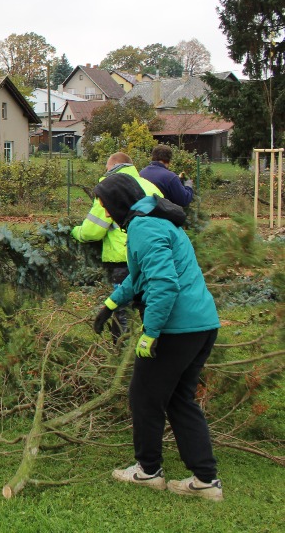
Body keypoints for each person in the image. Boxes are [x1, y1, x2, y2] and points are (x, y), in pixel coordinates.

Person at [94, 172, 223, 501]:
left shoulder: (144, 228)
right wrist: (110, 305)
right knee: (180, 399)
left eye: (106, 205)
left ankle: (148, 471)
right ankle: (206, 481)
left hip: (177, 328)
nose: (104, 213)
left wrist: (151, 333)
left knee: (144, 396)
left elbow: (164, 284)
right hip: (202, 324)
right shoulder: (150, 219)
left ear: (118, 203)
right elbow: (140, 277)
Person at [71, 153, 162, 339]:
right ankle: (151, 342)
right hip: (154, 257)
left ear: (112, 167)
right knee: (149, 305)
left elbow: (92, 231)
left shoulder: (111, 190)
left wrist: (74, 232)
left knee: (122, 312)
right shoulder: (151, 186)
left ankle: (121, 351)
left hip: (122, 258)